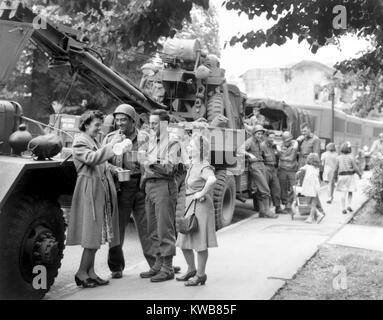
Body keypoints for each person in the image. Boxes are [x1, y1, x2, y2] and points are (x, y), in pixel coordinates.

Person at [66, 110, 121, 288]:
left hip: (99, 189)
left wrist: (113, 169)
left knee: (97, 233)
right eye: (96, 125)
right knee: (91, 233)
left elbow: (101, 161)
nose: (99, 129)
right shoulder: (80, 140)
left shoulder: (94, 140)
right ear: (86, 124)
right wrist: (112, 145)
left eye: (100, 125)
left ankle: (90, 272)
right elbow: (92, 159)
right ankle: (81, 273)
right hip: (89, 189)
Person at [103, 104, 156, 279]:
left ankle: (155, 265)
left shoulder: (145, 137)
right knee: (116, 229)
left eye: (123, 119)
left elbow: (154, 158)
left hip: (141, 186)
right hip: (120, 188)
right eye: (117, 119)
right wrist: (114, 170)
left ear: (132, 120)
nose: (120, 123)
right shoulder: (111, 138)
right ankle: (116, 267)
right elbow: (103, 161)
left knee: (147, 228)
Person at [139, 109, 180, 282]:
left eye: (155, 123)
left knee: (165, 228)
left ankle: (168, 267)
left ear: (164, 124)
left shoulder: (173, 142)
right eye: (150, 123)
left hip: (164, 186)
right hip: (149, 186)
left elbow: (170, 168)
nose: (151, 126)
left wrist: (151, 161)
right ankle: (158, 263)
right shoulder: (150, 141)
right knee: (152, 229)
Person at [176, 134, 217, 286]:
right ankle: (191, 269)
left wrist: (201, 193)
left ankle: (200, 275)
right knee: (183, 239)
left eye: (191, 147)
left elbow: (212, 180)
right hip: (190, 205)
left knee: (200, 243)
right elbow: (186, 159)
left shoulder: (204, 166)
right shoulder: (194, 163)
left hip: (201, 207)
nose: (189, 148)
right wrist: (181, 142)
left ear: (200, 150)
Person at [245, 125, 278, 218]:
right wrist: (249, 155)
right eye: (258, 134)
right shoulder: (249, 142)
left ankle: (262, 211)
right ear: (254, 133)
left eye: (261, 134)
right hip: (255, 166)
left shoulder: (259, 142)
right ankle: (267, 211)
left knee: (261, 189)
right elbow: (239, 150)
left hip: (261, 165)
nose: (260, 136)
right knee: (265, 189)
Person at [333, 142, 362, 214]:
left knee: (343, 192)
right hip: (350, 176)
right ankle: (349, 205)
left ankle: (343, 208)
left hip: (342, 176)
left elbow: (335, 169)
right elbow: (355, 168)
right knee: (350, 191)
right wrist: (359, 174)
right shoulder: (351, 157)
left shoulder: (339, 158)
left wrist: (335, 177)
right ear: (349, 149)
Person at [296, 153, 325, 224]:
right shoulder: (317, 168)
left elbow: (300, 170)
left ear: (309, 160)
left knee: (308, 202)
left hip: (309, 186)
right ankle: (315, 216)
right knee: (313, 202)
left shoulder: (307, 166)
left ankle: (314, 216)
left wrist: (298, 173)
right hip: (316, 186)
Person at [277, 131, 299, 214]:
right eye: (286, 141)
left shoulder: (294, 144)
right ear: (283, 140)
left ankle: (290, 203)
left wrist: (283, 156)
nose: (288, 142)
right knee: (283, 189)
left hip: (292, 170)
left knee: (294, 188)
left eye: (289, 140)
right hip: (282, 170)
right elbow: (283, 156)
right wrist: (286, 155)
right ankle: (286, 205)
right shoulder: (279, 145)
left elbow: (291, 158)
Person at [261, 131, 282, 214]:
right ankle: (266, 209)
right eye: (271, 137)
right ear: (266, 137)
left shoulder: (273, 146)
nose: (272, 139)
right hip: (266, 167)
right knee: (266, 189)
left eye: (273, 137)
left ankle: (277, 207)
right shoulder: (262, 146)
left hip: (273, 168)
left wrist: (277, 148)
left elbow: (279, 155)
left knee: (276, 188)